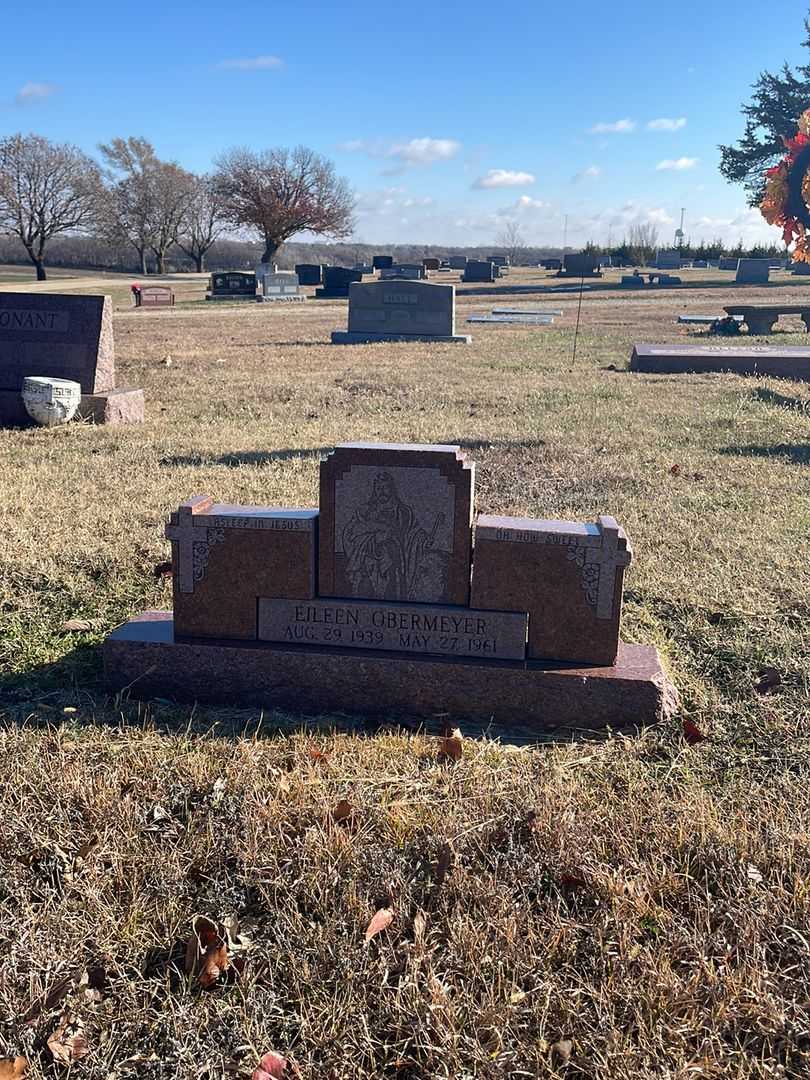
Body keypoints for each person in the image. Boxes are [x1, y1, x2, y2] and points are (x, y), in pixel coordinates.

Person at [341, 471, 442, 601]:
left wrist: (423, 541)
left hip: (396, 565)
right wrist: (375, 540)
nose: (381, 491)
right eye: (378, 488)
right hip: (370, 565)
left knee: (393, 589)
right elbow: (351, 534)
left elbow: (414, 533)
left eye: (385, 487)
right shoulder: (365, 511)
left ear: (392, 489)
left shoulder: (404, 512)